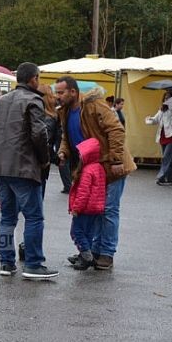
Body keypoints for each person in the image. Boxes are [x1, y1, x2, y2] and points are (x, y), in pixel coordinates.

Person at [55, 76, 136, 270]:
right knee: (93, 210)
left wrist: (116, 159)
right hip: (91, 168)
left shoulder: (95, 105)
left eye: (61, 92)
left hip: (110, 167)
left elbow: (116, 130)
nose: (57, 96)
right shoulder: (65, 111)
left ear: (73, 92)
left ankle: (106, 253)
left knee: (108, 210)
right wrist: (63, 151)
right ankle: (92, 251)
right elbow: (67, 136)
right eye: (56, 92)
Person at [0, 62, 54, 279]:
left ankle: (7, 263)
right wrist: (44, 160)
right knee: (34, 217)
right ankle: (33, 263)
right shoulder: (34, 100)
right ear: (34, 78)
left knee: (7, 218)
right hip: (23, 166)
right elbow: (39, 133)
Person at [68, 138, 106, 270]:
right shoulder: (99, 168)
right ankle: (84, 254)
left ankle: (86, 256)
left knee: (76, 232)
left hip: (85, 209)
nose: (79, 156)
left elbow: (83, 193)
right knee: (89, 233)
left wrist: (76, 208)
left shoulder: (87, 171)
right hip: (96, 208)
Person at [145, 91, 172, 185]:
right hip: (163, 136)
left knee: (166, 157)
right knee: (168, 158)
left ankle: (161, 177)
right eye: (165, 98)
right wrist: (148, 120)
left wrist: (170, 103)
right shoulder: (162, 109)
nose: (167, 99)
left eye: (169, 98)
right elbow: (156, 120)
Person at [37, 83, 61, 198]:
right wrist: (54, 158)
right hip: (41, 162)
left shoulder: (33, 114)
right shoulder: (51, 117)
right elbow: (47, 142)